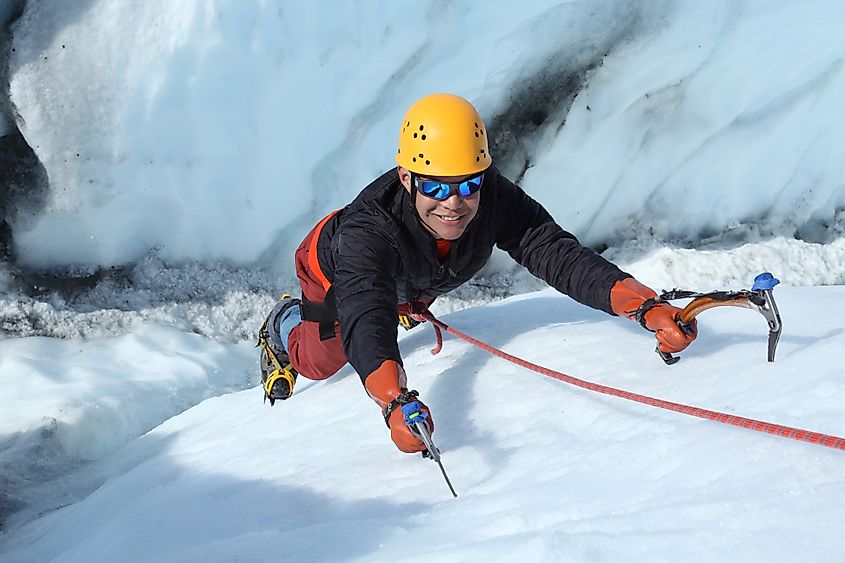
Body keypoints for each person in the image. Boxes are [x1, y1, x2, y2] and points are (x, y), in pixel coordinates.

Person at [257, 93, 697, 453]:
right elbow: (364, 311)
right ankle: (284, 323)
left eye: (468, 183)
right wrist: (394, 400)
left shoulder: (491, 198)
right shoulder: (365, 233)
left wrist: (644, 305)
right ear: (406, 178)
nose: (454, 202)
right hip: (336, 273)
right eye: (435, 186)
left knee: (408, 295)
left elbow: (554, 252)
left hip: (417, 275)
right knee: (319, 361)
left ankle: (406, 304)